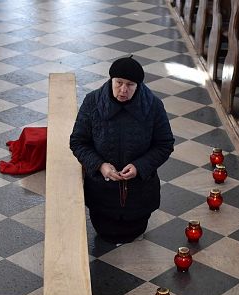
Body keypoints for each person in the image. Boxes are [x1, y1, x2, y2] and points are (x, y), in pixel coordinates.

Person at [70, 55, 174, 244]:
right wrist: (101, 166)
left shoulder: (154, 106)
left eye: (130, 85)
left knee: (134, 229)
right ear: (111, 80)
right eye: (118, 83)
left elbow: (164, 144)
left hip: (140, 194)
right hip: (101, 193)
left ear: (138, 86)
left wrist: (139, 167)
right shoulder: (92, 102)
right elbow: (78, 141)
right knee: (104, 228)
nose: (123, 90)